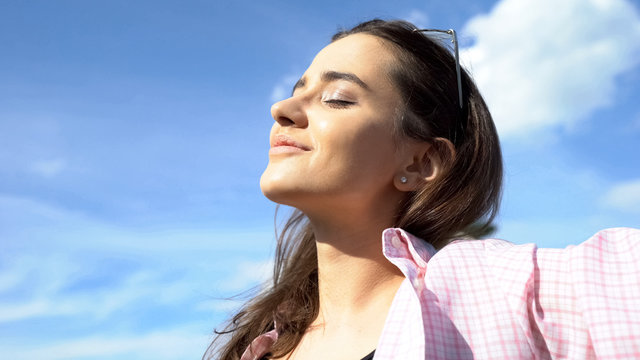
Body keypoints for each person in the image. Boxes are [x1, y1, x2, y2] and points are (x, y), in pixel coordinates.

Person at [206, 19, 640, 360]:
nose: (280, 109)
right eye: (297, 91)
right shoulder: (260, 344)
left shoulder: (494, 291)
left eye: (337, 97)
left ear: (420, 162)